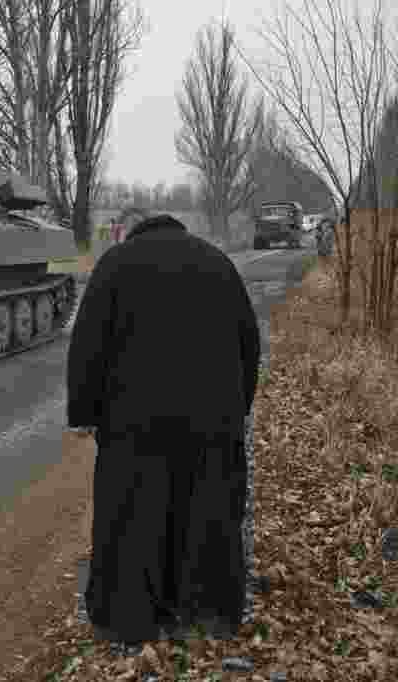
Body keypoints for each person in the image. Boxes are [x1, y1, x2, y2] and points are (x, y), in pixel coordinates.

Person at [66, 213, 261, 656]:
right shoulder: (217, 263)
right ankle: (210, 614)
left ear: (133, 231)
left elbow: (88, 346)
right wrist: (236, 407)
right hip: (213, 417)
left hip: (134, 423)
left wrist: (86, 413)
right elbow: (249, 343)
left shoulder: (116, 265)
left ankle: (128, 622)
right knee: (208, 512)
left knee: (134, 515)